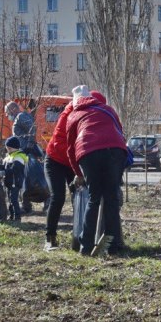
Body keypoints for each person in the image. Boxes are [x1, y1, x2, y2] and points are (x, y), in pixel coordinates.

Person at [66, 86, 128, 255]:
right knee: (111, 199)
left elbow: (70, 149)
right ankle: (112, 247)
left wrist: (78, 173)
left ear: (75, 101)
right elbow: (120, 132)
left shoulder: (73, 115)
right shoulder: (107, 109)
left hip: (89, 153)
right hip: (115, 151)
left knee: (94, 199)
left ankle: (85, 247)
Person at [43, 100, 75, 250]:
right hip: (54, 160)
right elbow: (60, 145)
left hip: (72, 162)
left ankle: (80, 234)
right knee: (58, 197)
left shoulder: (87, 115)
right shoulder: (66, 116)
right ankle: (50, 237)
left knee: (79, 196)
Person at [2, 136, 27, 222]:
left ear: (15, 147)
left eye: (9, 147)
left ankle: (17, 217)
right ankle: (12, 216)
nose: (7, 148)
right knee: (9, 200)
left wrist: (3, 172)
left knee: (13, 200)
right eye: (7, 147)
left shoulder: (19, 157)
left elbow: (15, 170)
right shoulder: (8, 156)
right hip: (9, 182)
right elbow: (1, 166)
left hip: (15, 182)